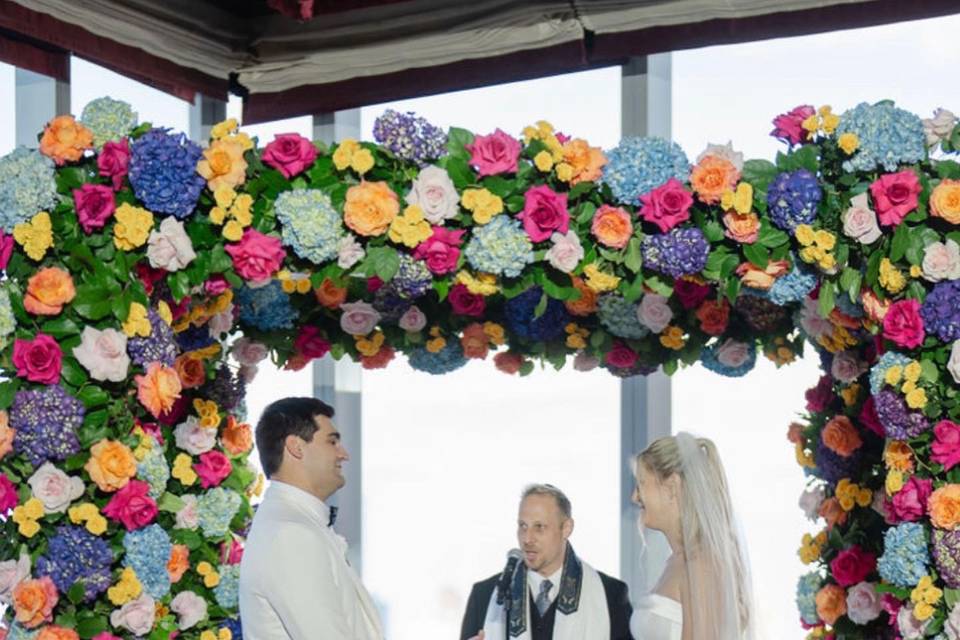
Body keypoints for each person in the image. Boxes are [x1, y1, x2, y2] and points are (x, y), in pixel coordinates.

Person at [239, 397, 384, 639]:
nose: (344, 454)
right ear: (296, 446)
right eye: (333, 442)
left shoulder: (294, 524)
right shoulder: (291, 535)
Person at [460, 484, 633, 640]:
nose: (527, 539)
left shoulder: (611, 595)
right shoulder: (484, 596)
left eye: (539, 527)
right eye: (523, 526)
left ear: (566, 528)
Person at [630, 433, 755, 640]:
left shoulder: (701, 565)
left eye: (641, 484)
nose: (634, 497)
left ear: (671, 487)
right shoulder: (678, 560)